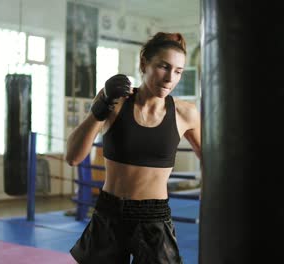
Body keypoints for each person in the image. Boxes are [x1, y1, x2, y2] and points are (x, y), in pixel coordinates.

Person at [65, 32, 201, 264]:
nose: (170, 78)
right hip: (109, 212)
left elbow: (214, 162)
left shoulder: (185, 113)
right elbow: (73, 157)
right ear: (144, 64)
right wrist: (101, 106)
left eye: (178, 71)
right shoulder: (116, 102)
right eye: (163, 67)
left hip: (154, 218)